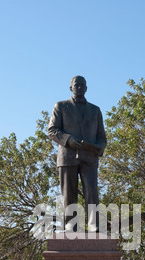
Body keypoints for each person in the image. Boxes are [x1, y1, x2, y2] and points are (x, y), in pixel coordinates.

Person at [48, 76, 106, 231]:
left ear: (86, 88)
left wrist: (100, 147)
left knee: (92, 193)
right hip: (67, 156)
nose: (79, 88)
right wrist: (68, 140)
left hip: (89, 157)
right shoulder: (60, 106)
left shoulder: (95, 110)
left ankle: (94, 225)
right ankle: (71, 225)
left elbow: (101, 136)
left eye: (82, 86)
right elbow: (52, 130)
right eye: (76, 85)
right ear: (71, 88)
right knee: (69, 193)